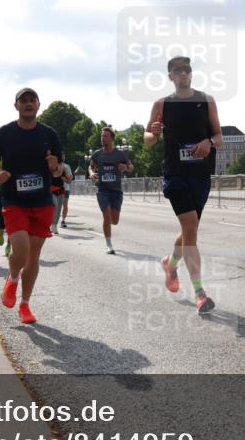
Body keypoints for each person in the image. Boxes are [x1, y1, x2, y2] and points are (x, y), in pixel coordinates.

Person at [144, 56, 222, 315]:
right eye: (177, 71)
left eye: (187, 70)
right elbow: (147, 140)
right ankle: (200, 293)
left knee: (190, 231)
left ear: (191, 73)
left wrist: (208, 143)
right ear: (170, 76)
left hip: (200, 174)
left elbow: (219, 136)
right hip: (175, 174)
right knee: (190, 228)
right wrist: (153, 132)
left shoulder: (207, 100)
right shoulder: (162, 104)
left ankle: (170, 263)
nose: (183, 74)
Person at [0, 87, 64, 325]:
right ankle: (12, 277)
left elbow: (60, 169)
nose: (28, 104)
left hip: (41, 201)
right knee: (20, 250)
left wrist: (54, 166)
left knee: (34, 256)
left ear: (38, 105)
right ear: (16, 105)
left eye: (32, 100)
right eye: (24, 100)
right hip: (14, 200)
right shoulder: (4, 133)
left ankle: (25, 304)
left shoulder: (49, 134)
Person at [90, 128, 134, 254]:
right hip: (102, 189)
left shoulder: (120, 154)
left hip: (116, 190)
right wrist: (92, 173)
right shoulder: (97, 154)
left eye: (105, 136)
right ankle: (109, 245)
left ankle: (108, 225)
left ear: (112, 138)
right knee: (106, 215)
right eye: (102, 136)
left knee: (114, 220)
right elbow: (90, 166)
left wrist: (126, 167)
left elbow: (131, 167)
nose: (103, 138)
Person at [49, 152, 67, 234]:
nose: (62, 158)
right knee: (55, 205)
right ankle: (50, 223)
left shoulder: (63, 167)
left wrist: (67, 179)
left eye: (63, 156)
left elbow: (67, 179)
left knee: (59, 208)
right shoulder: (50, 166)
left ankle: (54, 225)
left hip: (60, 190)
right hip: (51, 190)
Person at [60, 157, 73, 227]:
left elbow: (70, 179)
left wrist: (66, 179)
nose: (63, 157)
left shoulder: (67, 166)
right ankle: (53, 222)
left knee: (65, 205)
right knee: (55, 206)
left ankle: (63, 220)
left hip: (65, 189)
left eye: (64, 155)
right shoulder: (53, 166)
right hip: (55, 189)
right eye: (61, 155)